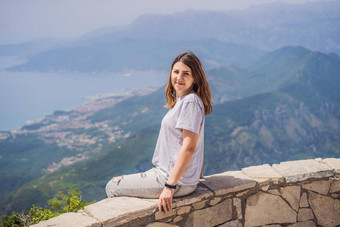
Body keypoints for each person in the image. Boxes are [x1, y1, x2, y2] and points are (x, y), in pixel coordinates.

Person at [105, 51, 213, 214]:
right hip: (171, 175)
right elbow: (196, 142)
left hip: (175, 180)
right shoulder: (183, 101)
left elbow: (189, 147)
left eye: (186, 74)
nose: (179, 78)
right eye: (176, 72)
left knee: (113, 186)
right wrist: (197, 173)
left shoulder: (190, 102)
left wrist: (170, 187)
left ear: (195, 78)